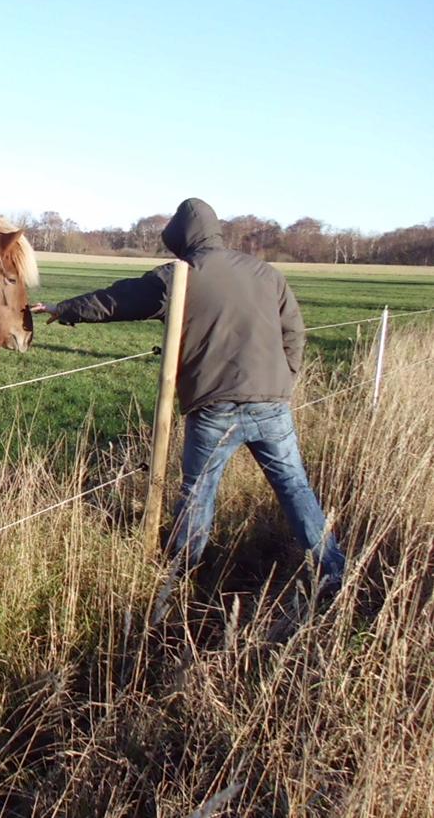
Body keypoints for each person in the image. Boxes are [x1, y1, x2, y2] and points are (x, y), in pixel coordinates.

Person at [32, 197, 345, 594]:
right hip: (271, 403)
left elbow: (117, 300)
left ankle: (179, 582)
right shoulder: (266, 273)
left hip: (213, 407)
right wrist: (284, 381)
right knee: (295, 487)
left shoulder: (178, 275)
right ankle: (334, 574)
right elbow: (294, 333)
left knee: (197, 495)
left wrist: (64, 309)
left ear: (180, 238)